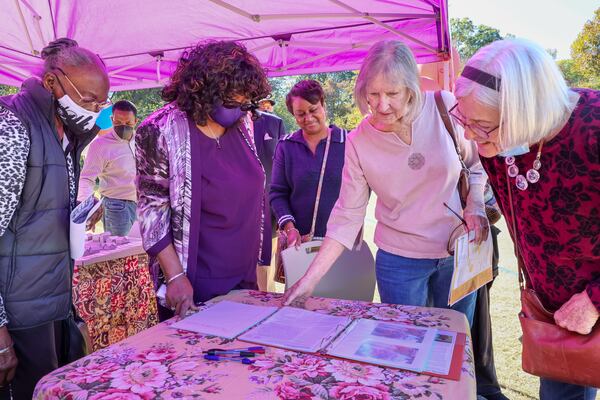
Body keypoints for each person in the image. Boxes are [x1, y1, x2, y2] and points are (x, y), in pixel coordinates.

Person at [283, 40, 488, 328]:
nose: (381, 105)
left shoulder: (445, 106)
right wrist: (309, 280)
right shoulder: (358, 142)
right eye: (373, 94)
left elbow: (477, 166)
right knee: (404, 343)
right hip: (399, 262)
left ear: (410, 88)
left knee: (455, 338)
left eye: (392, 93)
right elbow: (347, 216)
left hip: (458, 253)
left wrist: (475, 205)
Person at [453, 38, 599, 400]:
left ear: (525, 111)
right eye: (464, 120)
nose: (471, 135)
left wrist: (596, 299)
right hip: (553, 315)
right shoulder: (495, 142)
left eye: (482, 125)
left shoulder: (593, 129)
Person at [0, 38, 109, 398]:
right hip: (17, 317)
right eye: (88, 100)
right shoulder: (13, 128)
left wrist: (75, 218)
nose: (96, 110)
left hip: (51, 304)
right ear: (51, 84)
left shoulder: (66, 134)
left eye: (101, 101)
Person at [135, 41, 271, 321]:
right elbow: (152, 211)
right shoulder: (158, 130)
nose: (242, 108)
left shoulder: (243, 123)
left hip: (244, 275)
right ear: (204, 90)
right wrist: (175, 277)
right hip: (194, 280)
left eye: (247, 101)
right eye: (233, 101)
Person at [270, 80, 348, 249]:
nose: (308, 118)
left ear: (323, 106)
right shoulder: (286, 146)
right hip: (299, 246)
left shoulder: (348, 142)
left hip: (341, 244)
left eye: (313, 110)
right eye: (300, 114)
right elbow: (277, 193)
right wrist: (290, 227)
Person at [78, 100, 139, 236]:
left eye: (128, 123)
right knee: (119, 252)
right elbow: (87, 178)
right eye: (118, 123)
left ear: (136, 121)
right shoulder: (100, 145)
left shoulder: (142, 140)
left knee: (140, 251)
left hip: (142, 205)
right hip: (116, 206)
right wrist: (85, 205)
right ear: (111, 119)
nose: (123, 126)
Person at [252, 109, 286, 289]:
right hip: (236, 211)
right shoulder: (221, 122)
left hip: (269, 209)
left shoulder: (274, 123)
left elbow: (284, 166)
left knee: (266, 266)